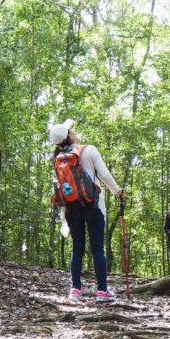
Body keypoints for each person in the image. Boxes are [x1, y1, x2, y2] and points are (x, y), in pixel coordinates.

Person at [49, 119, 124, 303]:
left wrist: (63, 218)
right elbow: (104, 175)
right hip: (93, 206)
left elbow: (60, 187)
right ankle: (102, 292)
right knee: (98, 250)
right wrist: (118, 191)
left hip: (72, 209)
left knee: (77, 250)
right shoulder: (89, 150)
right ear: (70, 135)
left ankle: (75, 290)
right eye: (71, 130)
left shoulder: (58, 158)